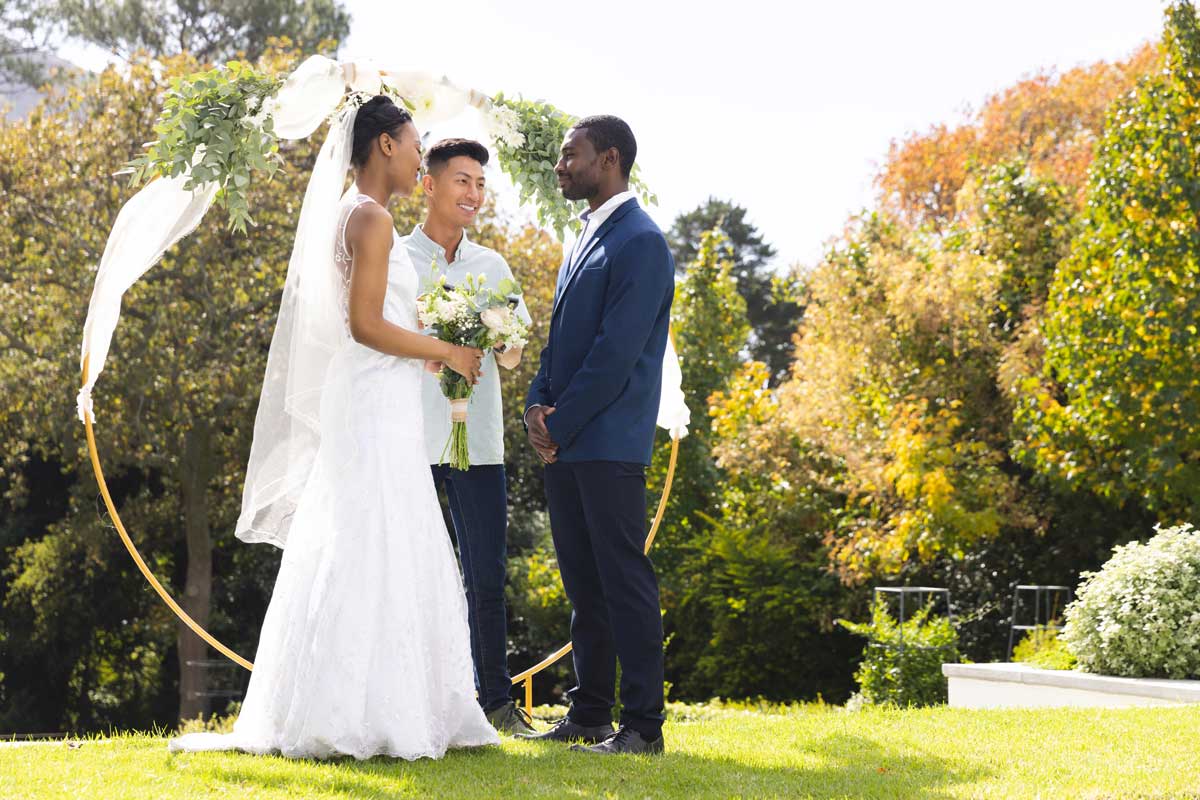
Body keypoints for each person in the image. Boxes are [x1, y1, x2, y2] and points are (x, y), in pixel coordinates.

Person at [169, 95, 499, 760]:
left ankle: (385, 701)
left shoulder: (356, 213)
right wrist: (443, 351)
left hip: (382, 396)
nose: (417, 157)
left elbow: (376, 323)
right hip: (374, 405)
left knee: (375, 533)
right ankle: (361, 709)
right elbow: (366, 325)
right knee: (375, 532)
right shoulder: (372, 218)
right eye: (412, 144)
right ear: (384, 145)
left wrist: (426, 356)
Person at [521, 115, 674, 755]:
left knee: (623, 581)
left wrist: (562, 422)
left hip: (607, 442)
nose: (560, 165)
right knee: (584, 585)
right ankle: (589, 713)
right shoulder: (585, 235)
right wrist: (535, 402)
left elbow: (616, 355)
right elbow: (563, 343)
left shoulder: (642, 241)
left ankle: (643, 726)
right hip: (569, 440)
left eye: (569, 155)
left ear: (607, 159)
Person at [401, 138, 534, 734]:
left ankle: (497, 704)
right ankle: (415, 701)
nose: (473, 194)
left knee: (485, 578)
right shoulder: (397, 257)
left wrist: (494, 331)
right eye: (462, 180)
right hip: (409, 443)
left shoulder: (493, 266)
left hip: (479, 445)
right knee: (410, 575)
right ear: (429, 184)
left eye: (480, 184)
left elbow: (512, 357)